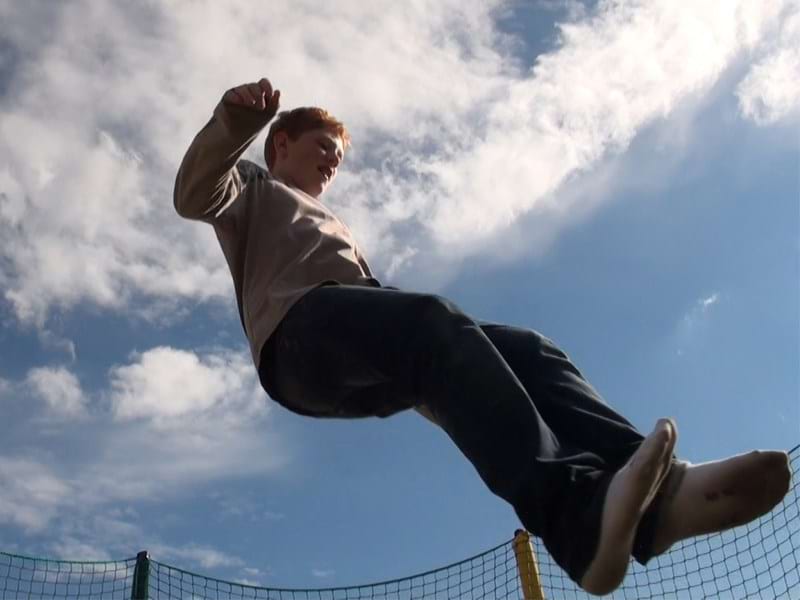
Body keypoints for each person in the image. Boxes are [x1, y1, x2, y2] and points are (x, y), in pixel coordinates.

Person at [174, 77, 792, 596]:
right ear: (281, 143)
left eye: (338, 156)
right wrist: (234, 122)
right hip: (297, 338)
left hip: (353, 333)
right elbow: (195, 193)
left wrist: (463, 398)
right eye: (323, 146)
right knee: (433, 322)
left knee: (524, 350)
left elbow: (422, 356)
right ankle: (575, 519)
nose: (333, 161)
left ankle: (656, 503)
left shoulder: (338, 231)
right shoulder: (252, 188)